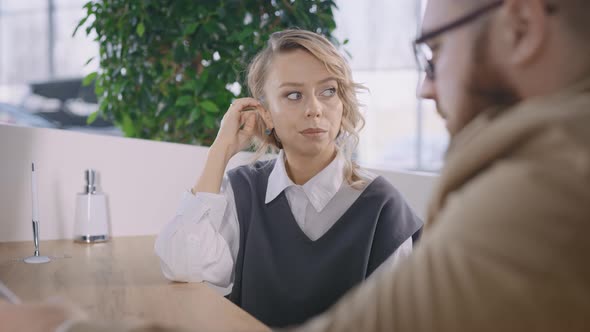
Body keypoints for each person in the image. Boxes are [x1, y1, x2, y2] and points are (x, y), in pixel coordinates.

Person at [277, 0, 590, 331]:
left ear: (521, 29)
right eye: (292, 95)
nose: (424, 88)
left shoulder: (544, 192)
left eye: (435, 53)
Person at [154, 29, 422, 327]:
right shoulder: (244, 191)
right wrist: (220, 150)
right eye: (293, 95)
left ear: (342, 101)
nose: (314, 109)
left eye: (328, 91)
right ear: (265, 113)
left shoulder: (383, 208)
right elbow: (183, 264)